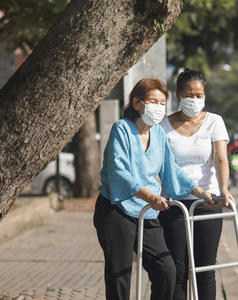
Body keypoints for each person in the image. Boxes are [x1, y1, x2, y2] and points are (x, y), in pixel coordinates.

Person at [93, 79, 214, 300]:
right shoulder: (122, 129)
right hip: (116, 209)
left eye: (162, 102)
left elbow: (172, 171)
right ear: (137, 103)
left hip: (147, 212)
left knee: (166, 270)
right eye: (152, 101)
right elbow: (119, 171)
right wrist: (150, 195)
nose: (158, 107)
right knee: (120, 274)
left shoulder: (158, 134)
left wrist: (202, 193)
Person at [159, 69, 233, 300]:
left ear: (205, 96)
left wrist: (224, 189)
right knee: (178, 270)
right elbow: (161, 165)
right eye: (189, 95)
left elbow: (220, 158)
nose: (194, 100)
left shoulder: (214, 122)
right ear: (178, 95)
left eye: (199, 95)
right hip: (174, 204)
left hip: (207, 202)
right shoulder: (163, 126)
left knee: (205, 270)